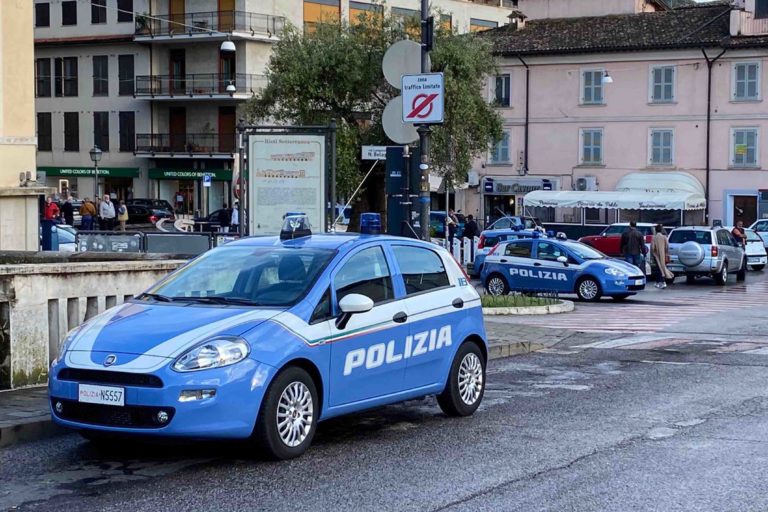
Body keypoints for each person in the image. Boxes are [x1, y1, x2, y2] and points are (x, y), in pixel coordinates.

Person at [651, 224, 674, 288]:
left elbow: (652, 248)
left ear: (656, 230)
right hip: (663, 255)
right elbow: (667, 246)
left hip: (656, 255)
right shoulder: (664, 237)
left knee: (659, 269)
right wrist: (666, 253)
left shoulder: (654, 237)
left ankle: (662, 282)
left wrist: (653, 253)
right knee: (662, 268)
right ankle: (658, 282)